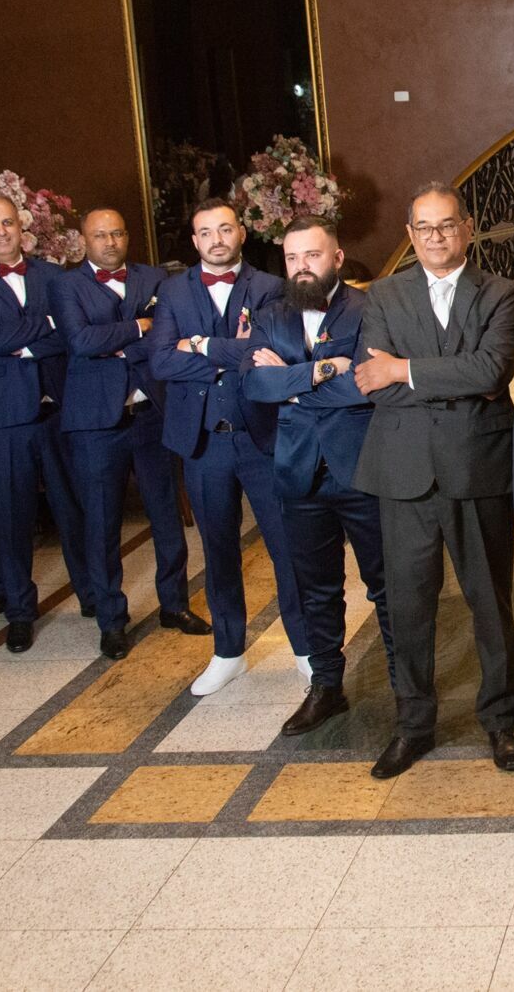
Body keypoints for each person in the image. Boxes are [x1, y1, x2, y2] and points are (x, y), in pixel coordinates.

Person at [352, 183, 514, 780]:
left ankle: (502, 722)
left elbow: (490, 369)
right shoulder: (382, 295)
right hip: (403, 469)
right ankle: (414, 725)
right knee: (408, 608)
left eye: (446, 226)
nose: (436, 237)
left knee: (490, 603)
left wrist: (403, 368)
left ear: (468, 228)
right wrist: (452, 379)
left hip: (477, 468)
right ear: (410, 235)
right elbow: (369, 378)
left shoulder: (503, 293)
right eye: (424, 228)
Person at [242, 217, 390, 738]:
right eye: (291, 258)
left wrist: (292, 381)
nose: (301, 266)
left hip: (362, 469)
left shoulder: (371, 308)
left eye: (312, 255)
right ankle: (327, 687)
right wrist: (325, 370)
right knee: (316, 589)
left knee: (386, 585)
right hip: (298, 472)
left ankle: (404, 688)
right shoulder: (270, 314)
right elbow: (256, 386)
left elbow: (368, 384)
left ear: (337, 258)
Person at [149, 198, 302, 697]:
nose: (216, 239)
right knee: (217, 551)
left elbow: (274, 352)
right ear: (194, 241)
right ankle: (228, 652)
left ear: (241, 234)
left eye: (225, 229)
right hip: (203, 444)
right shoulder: (171, 291)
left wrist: (200, 346)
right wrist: (233, 353)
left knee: (287, 548)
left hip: (263, 438)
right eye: (205, 232)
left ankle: (305, 649)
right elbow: (161, 364)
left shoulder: (270, 287)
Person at [49, 208, 206, 659]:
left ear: (127, 235)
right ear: (84, 240)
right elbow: (79, 342)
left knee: (166, 517)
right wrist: (139, 325)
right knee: (101, 522)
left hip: (152, 413)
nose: (110, 241)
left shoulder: (154, 277)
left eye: (117, 232)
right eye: (100, 235)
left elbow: (169, 338)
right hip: (96, 422)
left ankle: (174, 606)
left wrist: (114, 339)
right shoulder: (65, 285)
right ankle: (112, 620)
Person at [0, 194, 93, 653]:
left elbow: (71, 335)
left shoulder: (53, 275)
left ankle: (93, 595)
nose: (2, 233)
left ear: (21, 226)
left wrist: (26, 341)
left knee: (75, 510)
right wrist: (44, 328)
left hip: (57, 411)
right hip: (1, 420)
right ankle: (19, 612)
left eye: (7, 223)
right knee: (10, 518)